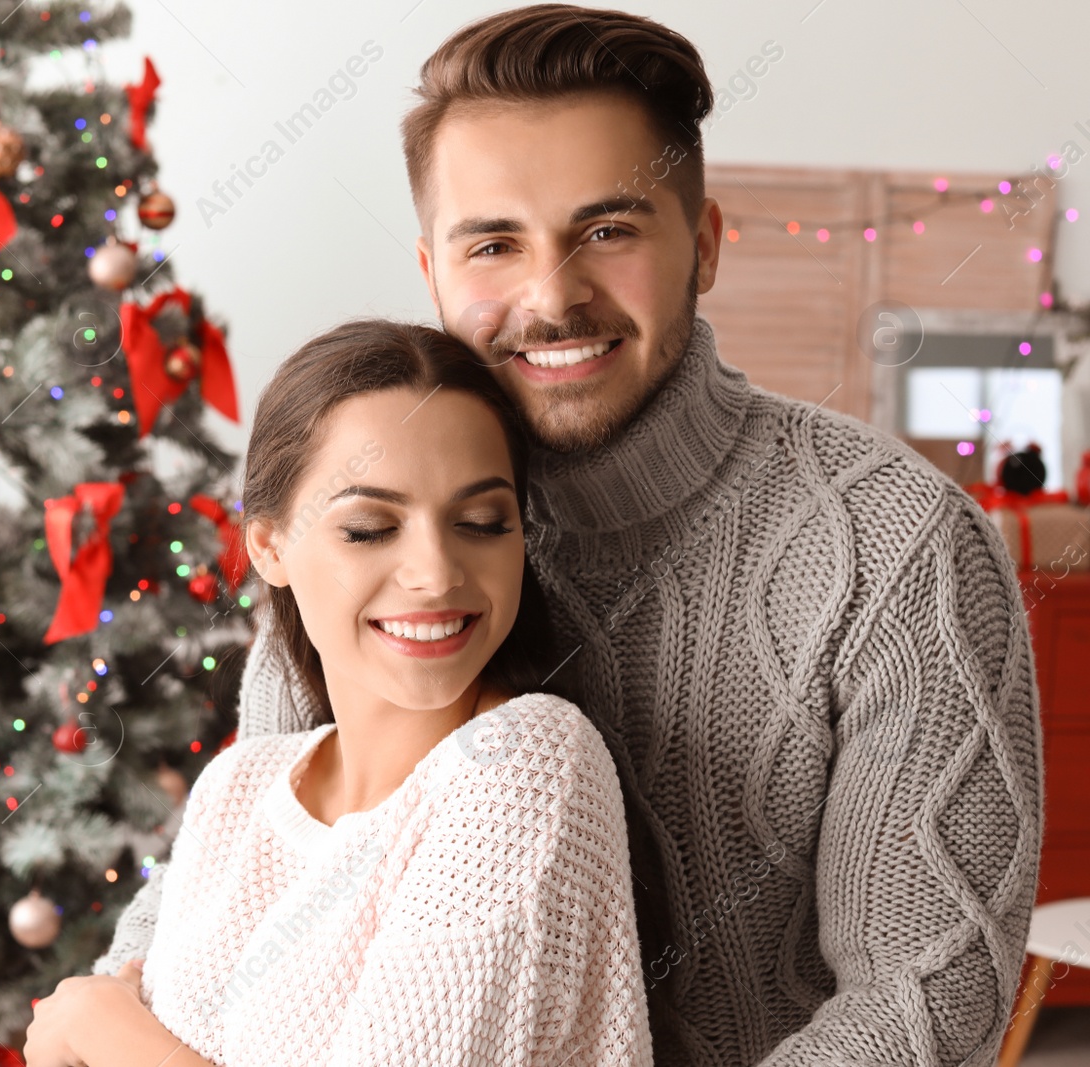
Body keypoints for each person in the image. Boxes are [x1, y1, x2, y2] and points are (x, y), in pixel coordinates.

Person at [92, 6, 1045, 1066]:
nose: (551, 296)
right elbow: (253, 858)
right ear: (432, 268)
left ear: (707, 244)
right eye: (493, 242)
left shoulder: (895, 542)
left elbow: (922, 999)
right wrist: (104, 1005)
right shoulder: (363, 543)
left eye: (608, 230)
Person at [23, 320, 652, 1066]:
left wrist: (101, 1023)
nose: (437, 571)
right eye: (368, 528)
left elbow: (90, 1036)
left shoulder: (528, 762)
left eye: (482, 522)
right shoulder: (236, 789)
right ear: (269, 547)